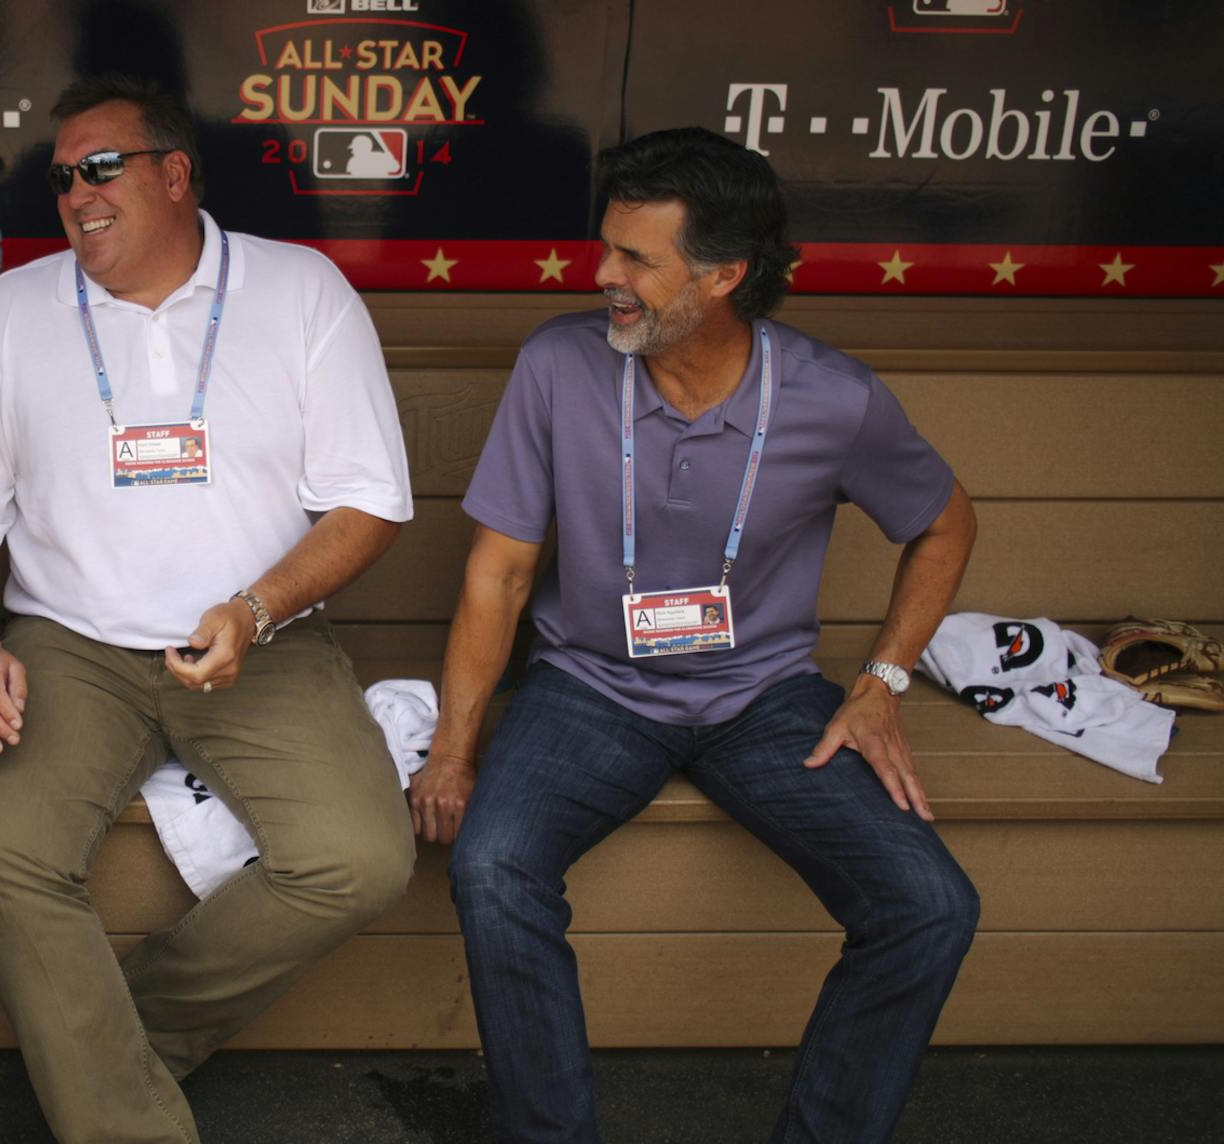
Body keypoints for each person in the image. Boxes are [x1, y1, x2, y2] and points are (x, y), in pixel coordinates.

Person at [411, 127, 981, 1144]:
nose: (603, 275)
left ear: (725, 275)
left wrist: (881, 681)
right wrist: (453, 751)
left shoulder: (834, 398)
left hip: (763, 698)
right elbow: (500, 572)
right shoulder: (559, 364)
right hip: (590, 689)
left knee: (930, 904)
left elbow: (945, 523)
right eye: (606, 247)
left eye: (637, 259)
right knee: (492, 871)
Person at [0, 74, 417, 1143]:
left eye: (101, 168)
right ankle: (123, 1113)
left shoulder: (301, 290)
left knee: (360, 859)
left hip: (259, 635)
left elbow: (370, 499)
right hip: (70, 642)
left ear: (176, 172)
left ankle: (109, 1046)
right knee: (5, 852)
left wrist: (257, 608)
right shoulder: (9, 311)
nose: (77, 196)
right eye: (62, 179)